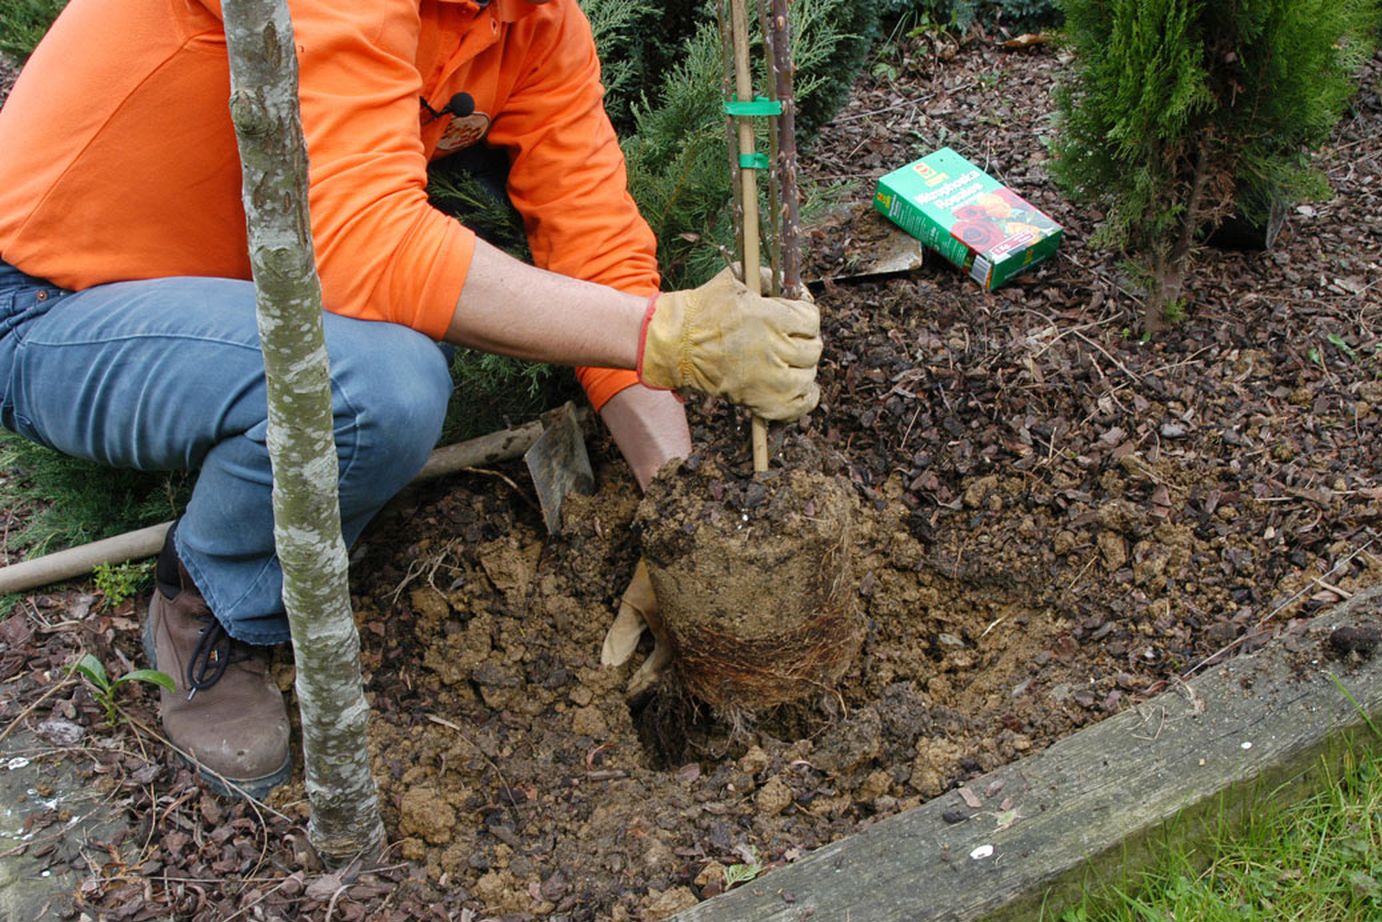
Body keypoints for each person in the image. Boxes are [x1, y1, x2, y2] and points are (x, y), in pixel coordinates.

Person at [0, 0, 821, 798]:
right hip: (47, 301)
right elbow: (368, 237)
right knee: (378, 387)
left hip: (227, 298)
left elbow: (597, 253)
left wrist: (678, 515)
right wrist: (667, 333)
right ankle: (211, 603)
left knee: (408, 347)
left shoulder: (533, 22)